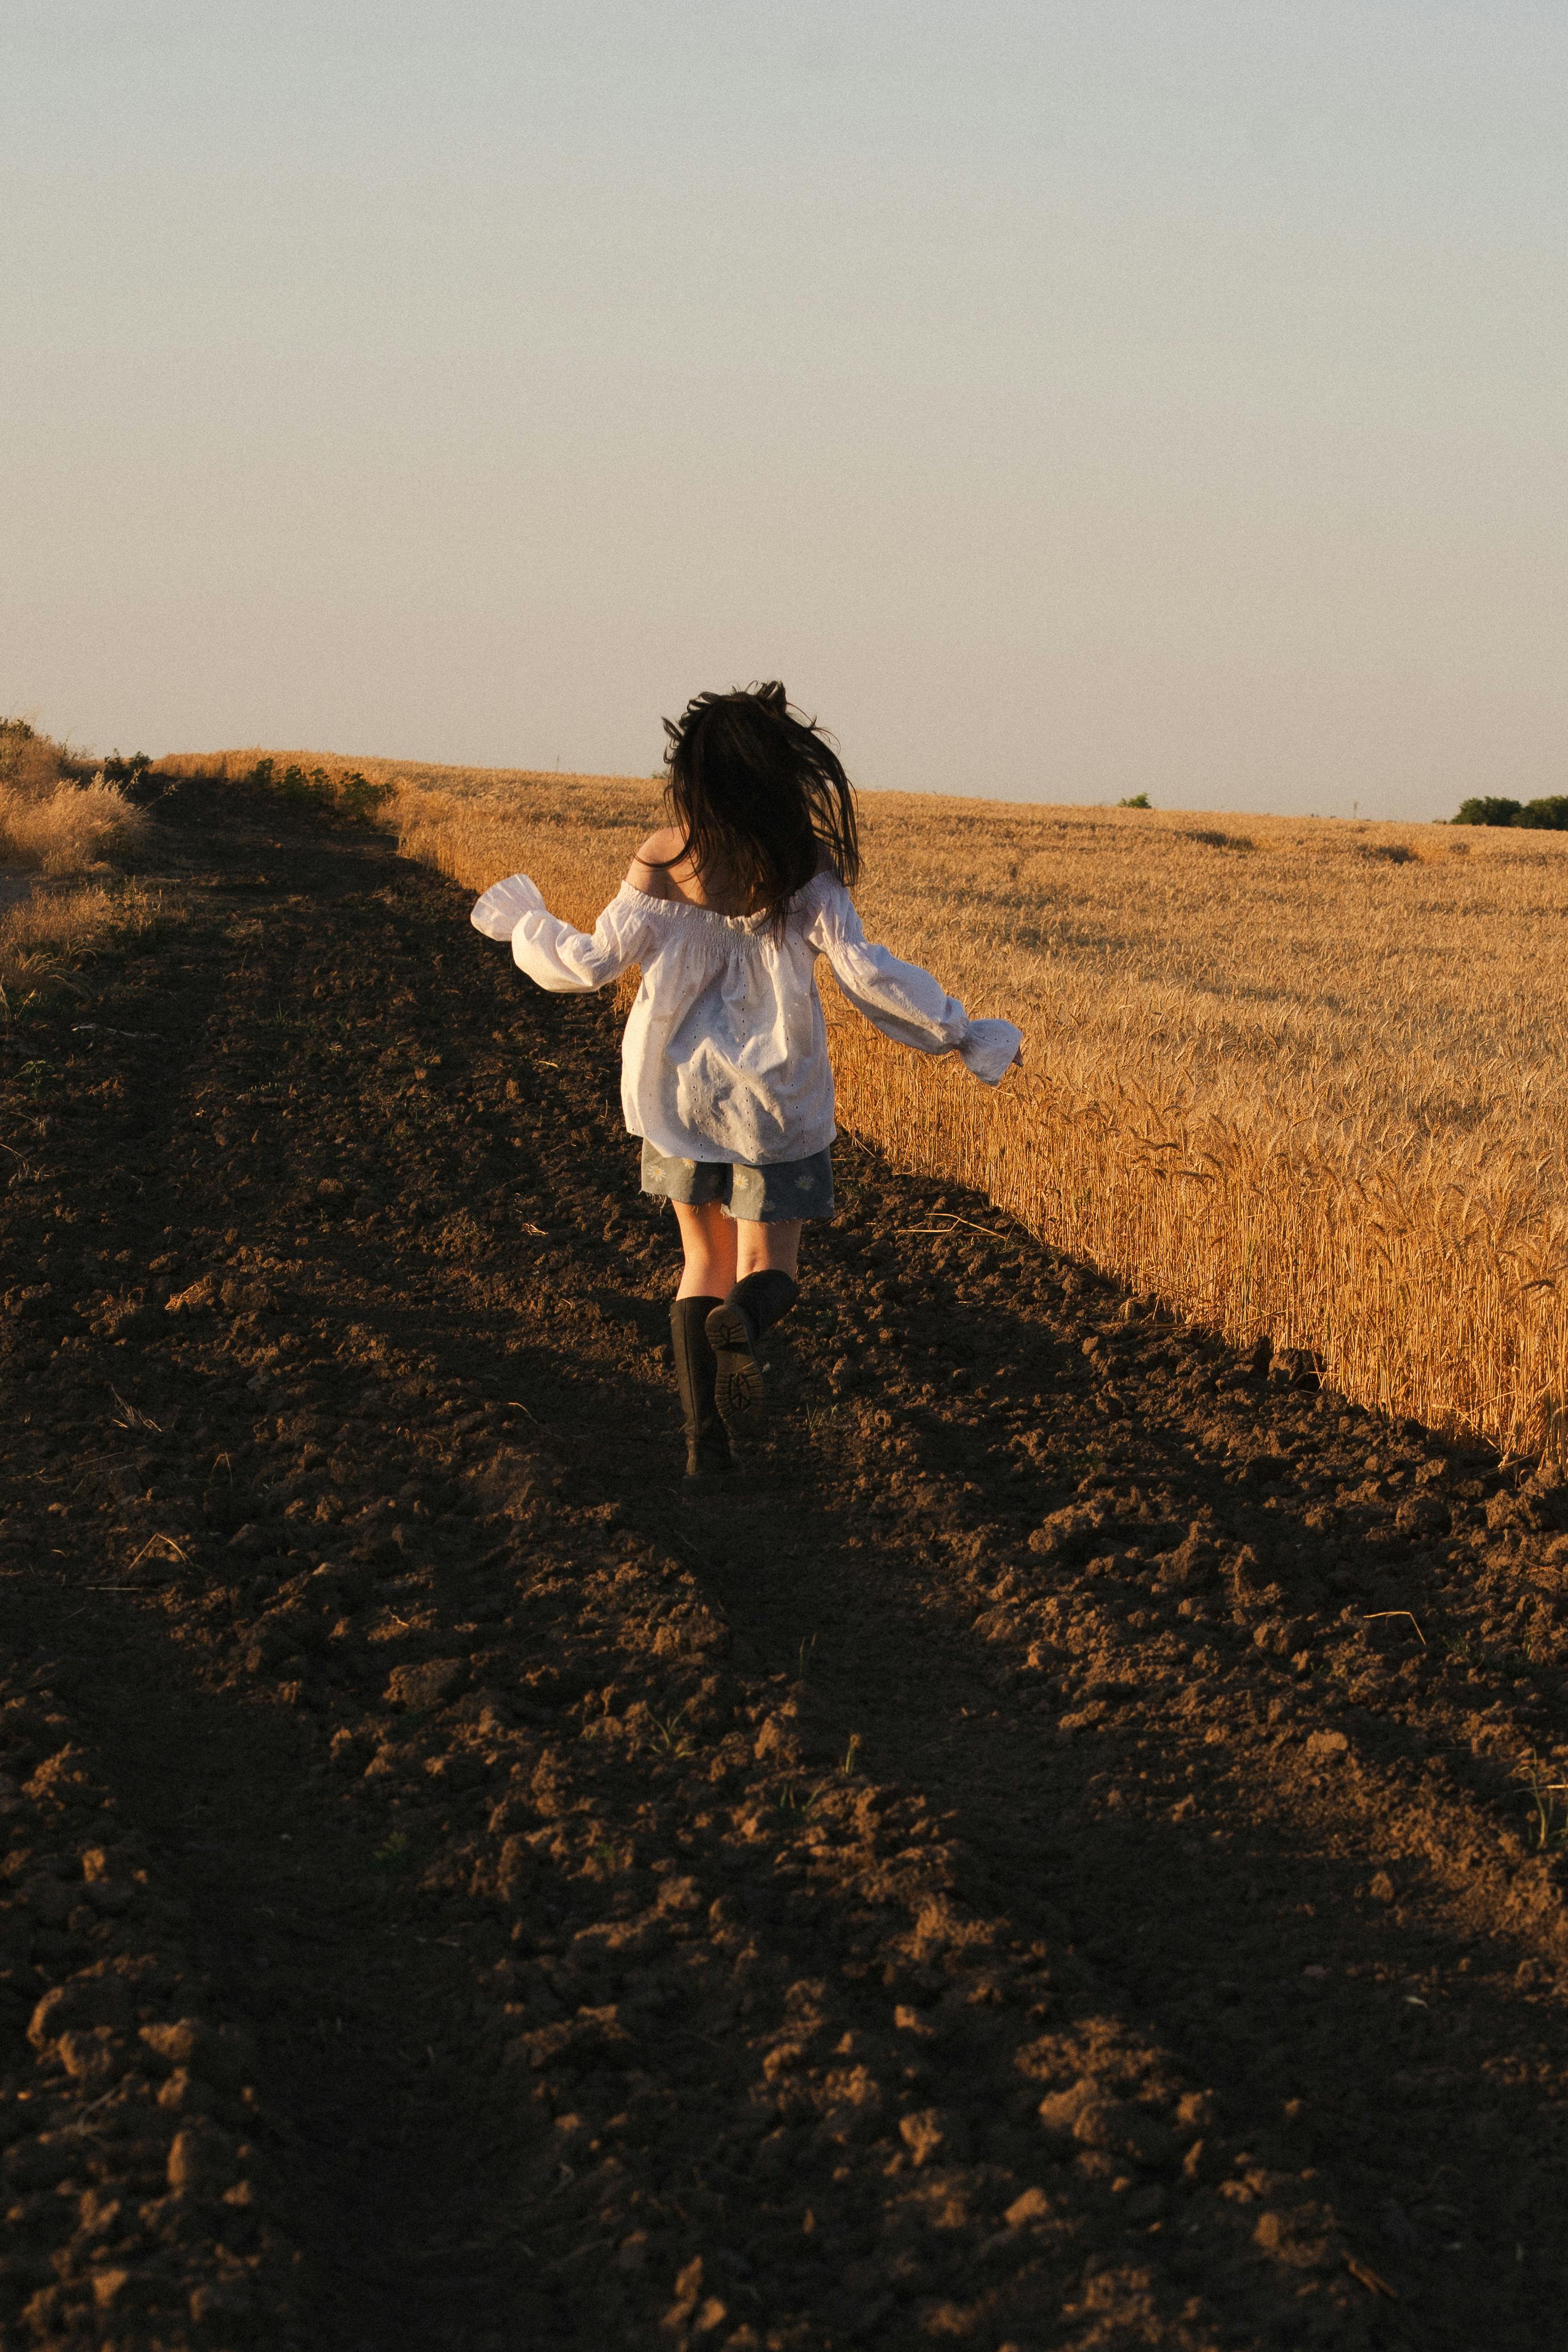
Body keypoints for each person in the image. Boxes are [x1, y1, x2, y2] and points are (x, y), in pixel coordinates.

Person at [471, 683, 1022, 1483]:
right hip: (777, 1105)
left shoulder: (664, 858)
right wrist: (961, 1032)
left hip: (679, 1098)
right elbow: (870, 977)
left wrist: (526, 924)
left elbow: (591, 964)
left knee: (701, 1259)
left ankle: (705, 1448)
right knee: (771, 1268)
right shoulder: (803, 868)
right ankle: (744, 1322)